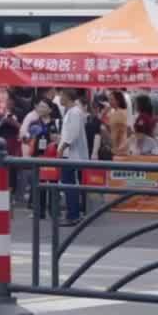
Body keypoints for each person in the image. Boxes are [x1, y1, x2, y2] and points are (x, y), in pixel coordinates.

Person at [56, 88, 90, 224]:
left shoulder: (75, 112)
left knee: (69, 184)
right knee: (69, 183)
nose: (60, 99)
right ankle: (73, 213)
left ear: (67, 96)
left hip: (70, 155)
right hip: (68, 154)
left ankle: (73, 215)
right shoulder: (72, 111)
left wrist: (63, 147)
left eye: (61, 96)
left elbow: (73, 133)